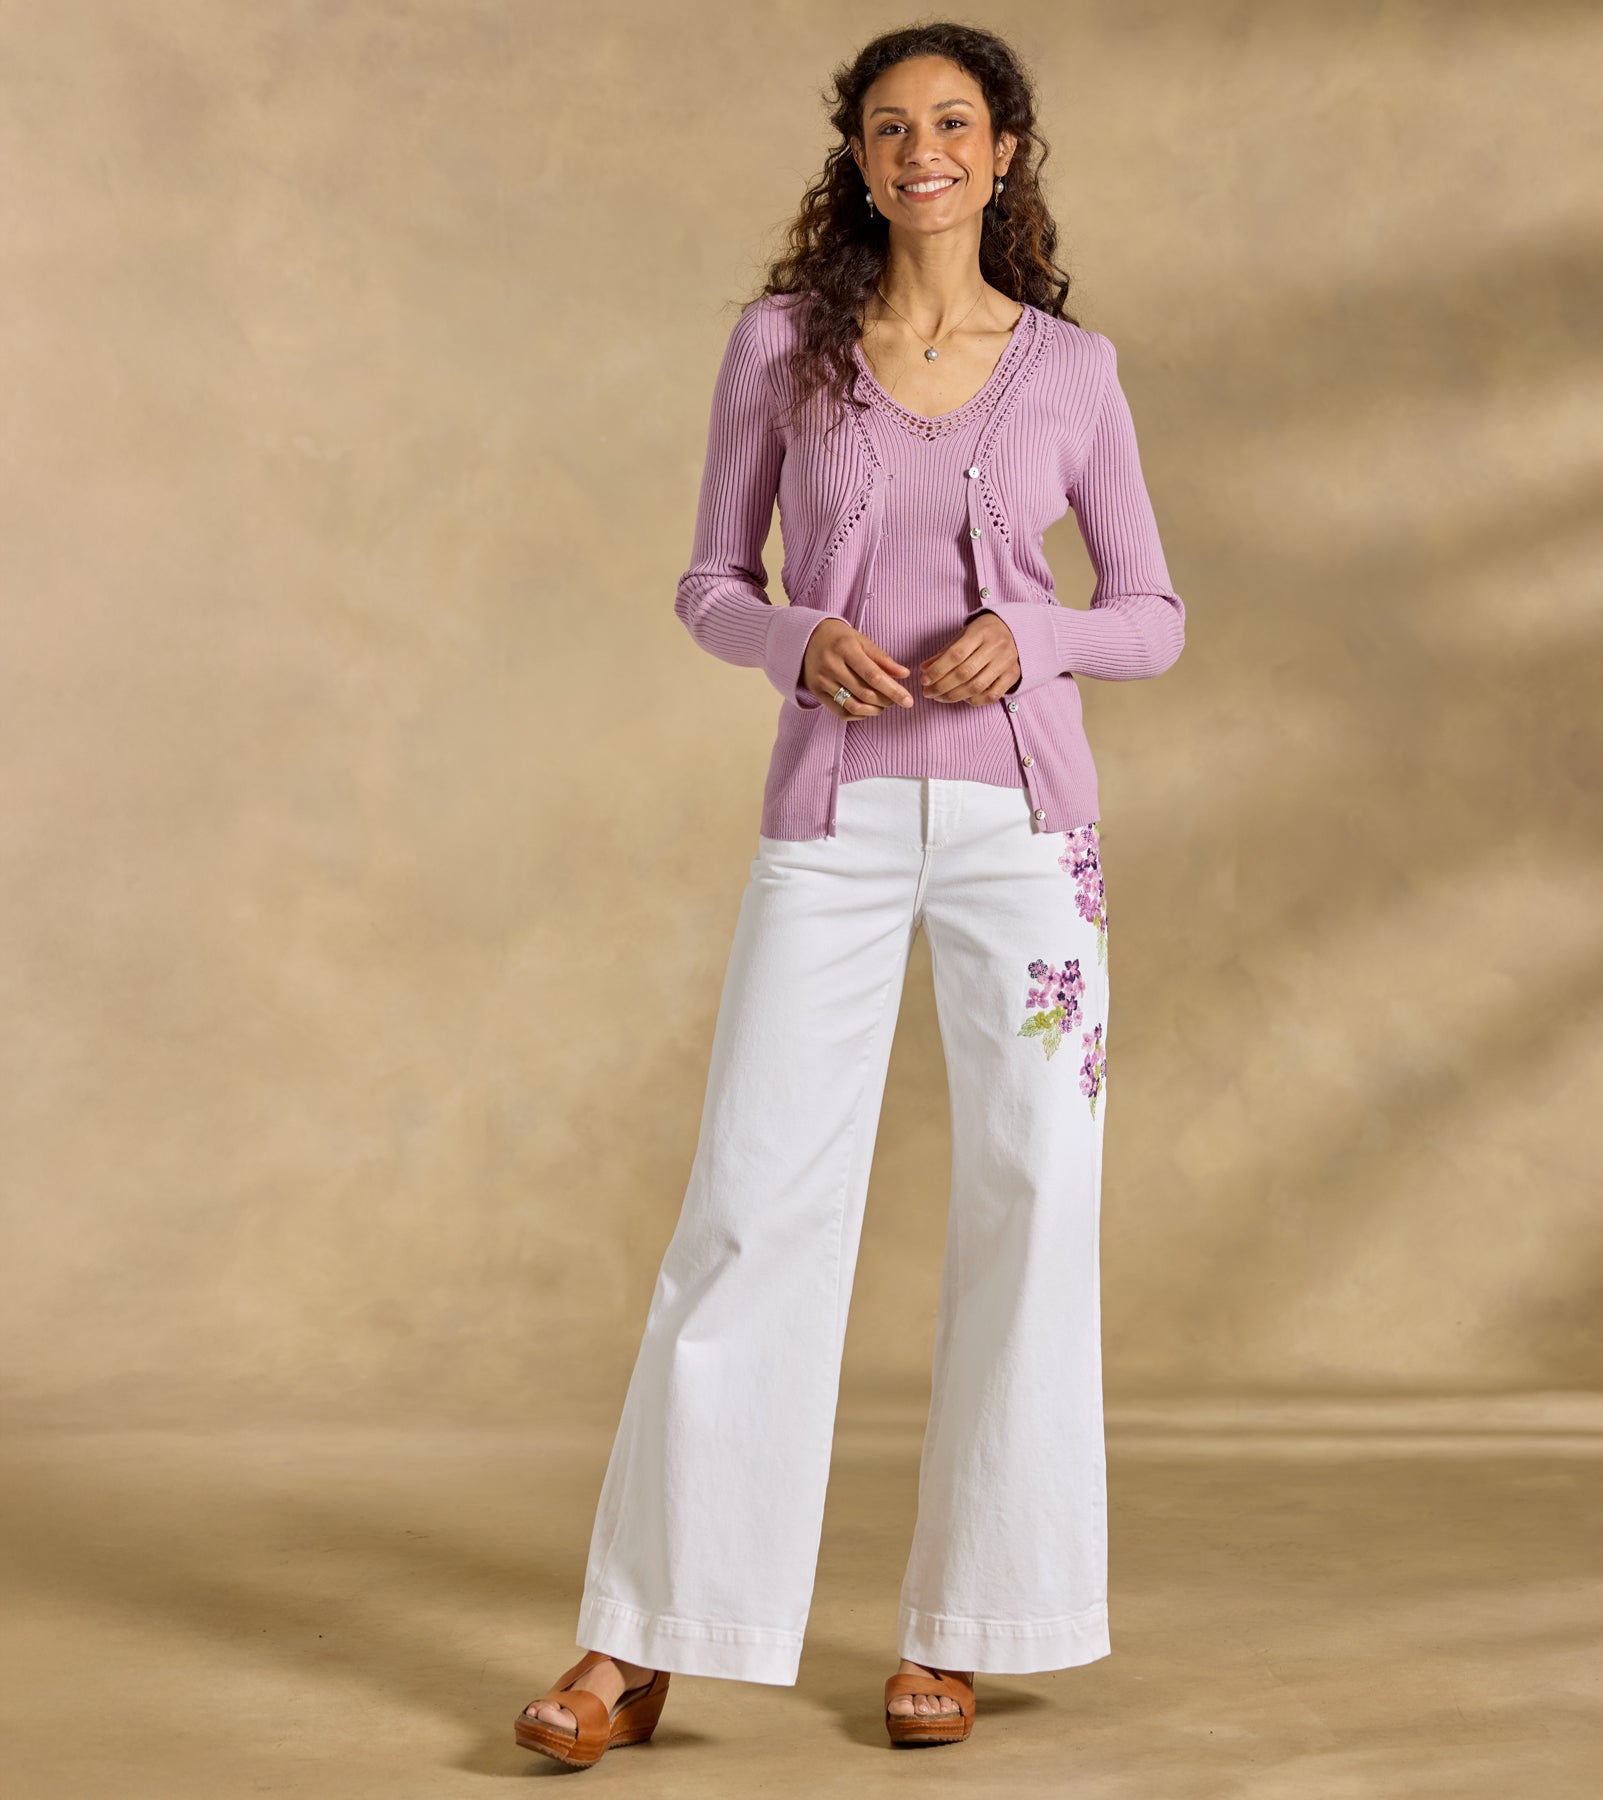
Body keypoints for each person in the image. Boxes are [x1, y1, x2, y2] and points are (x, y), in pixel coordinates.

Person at [514, 21, 1183, 1768]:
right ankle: (642, 1640)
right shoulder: (783, 349)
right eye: (891, 127)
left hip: (1026, 836)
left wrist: (1034, 634)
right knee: (752, 1202)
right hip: (833, 818)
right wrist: (795, 638)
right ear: (860, 158)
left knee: (1032, 1198)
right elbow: (707, 581)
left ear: (1006, 149)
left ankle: (968, 1629)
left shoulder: (1074, 371)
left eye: (953, 123)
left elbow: (1154, 616)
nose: (922, 151)